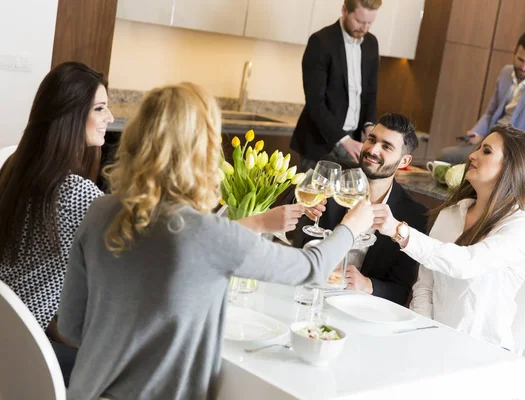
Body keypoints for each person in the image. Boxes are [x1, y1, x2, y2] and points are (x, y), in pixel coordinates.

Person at [57, 82, 374, 400]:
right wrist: (349, 227)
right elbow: (311, 268)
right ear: (203, 149)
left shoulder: (100, 210)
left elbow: (71, 327)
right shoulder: (205, 233)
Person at [373, 125, 525, 351]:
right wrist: (423, 334)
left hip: (483, 353)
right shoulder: (451, 213)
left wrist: (400, 232)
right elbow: (424, 286)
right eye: (479, 148)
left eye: (486, 151)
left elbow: (466, 263)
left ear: (510, 168)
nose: (472, 155)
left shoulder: (521, 228)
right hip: (434, 342)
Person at [0, 62, 114, 383]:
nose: (110, 118)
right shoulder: (77, 194)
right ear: (71, 115)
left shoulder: (13, 167)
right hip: (31, 356)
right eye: (100, 108)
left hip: (9, 343)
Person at [298, 113, 428, 305]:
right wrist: (304, 208)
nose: (373, 150)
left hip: (359, 307)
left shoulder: (413, 214)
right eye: (372, 139)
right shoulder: (334, 175)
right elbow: (295, 227)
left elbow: (400, 290)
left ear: (404, 161)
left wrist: (367, 284)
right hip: (308, 292)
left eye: (386, 146)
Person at [438, 32, 525, 166]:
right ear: (514, 52)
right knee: (444, 156)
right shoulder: (505, 74)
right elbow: (491, 112)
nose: (524, 67)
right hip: (490, 143)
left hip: (515, 155)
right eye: (521, 60)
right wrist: (476, 132)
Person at [290, 0, 381, 172]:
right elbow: (315, 102)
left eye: (370, 23)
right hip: (318, 143)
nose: (364, 28)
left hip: (352, 140)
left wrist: (370, 127)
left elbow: (370, 93)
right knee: (311, 198)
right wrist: (344, 140)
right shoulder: (321, 42)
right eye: (360, 21)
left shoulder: (371, 44)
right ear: (345, 10)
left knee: (344, 197)